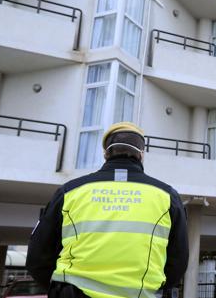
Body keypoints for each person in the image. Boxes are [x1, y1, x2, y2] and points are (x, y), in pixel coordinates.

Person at [26, 122, 189, 298]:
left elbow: (37, 259)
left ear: (105, 154)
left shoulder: (69, 192)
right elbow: (178, 262)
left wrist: (59, 290)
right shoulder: (167, 197)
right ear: (141, 155)